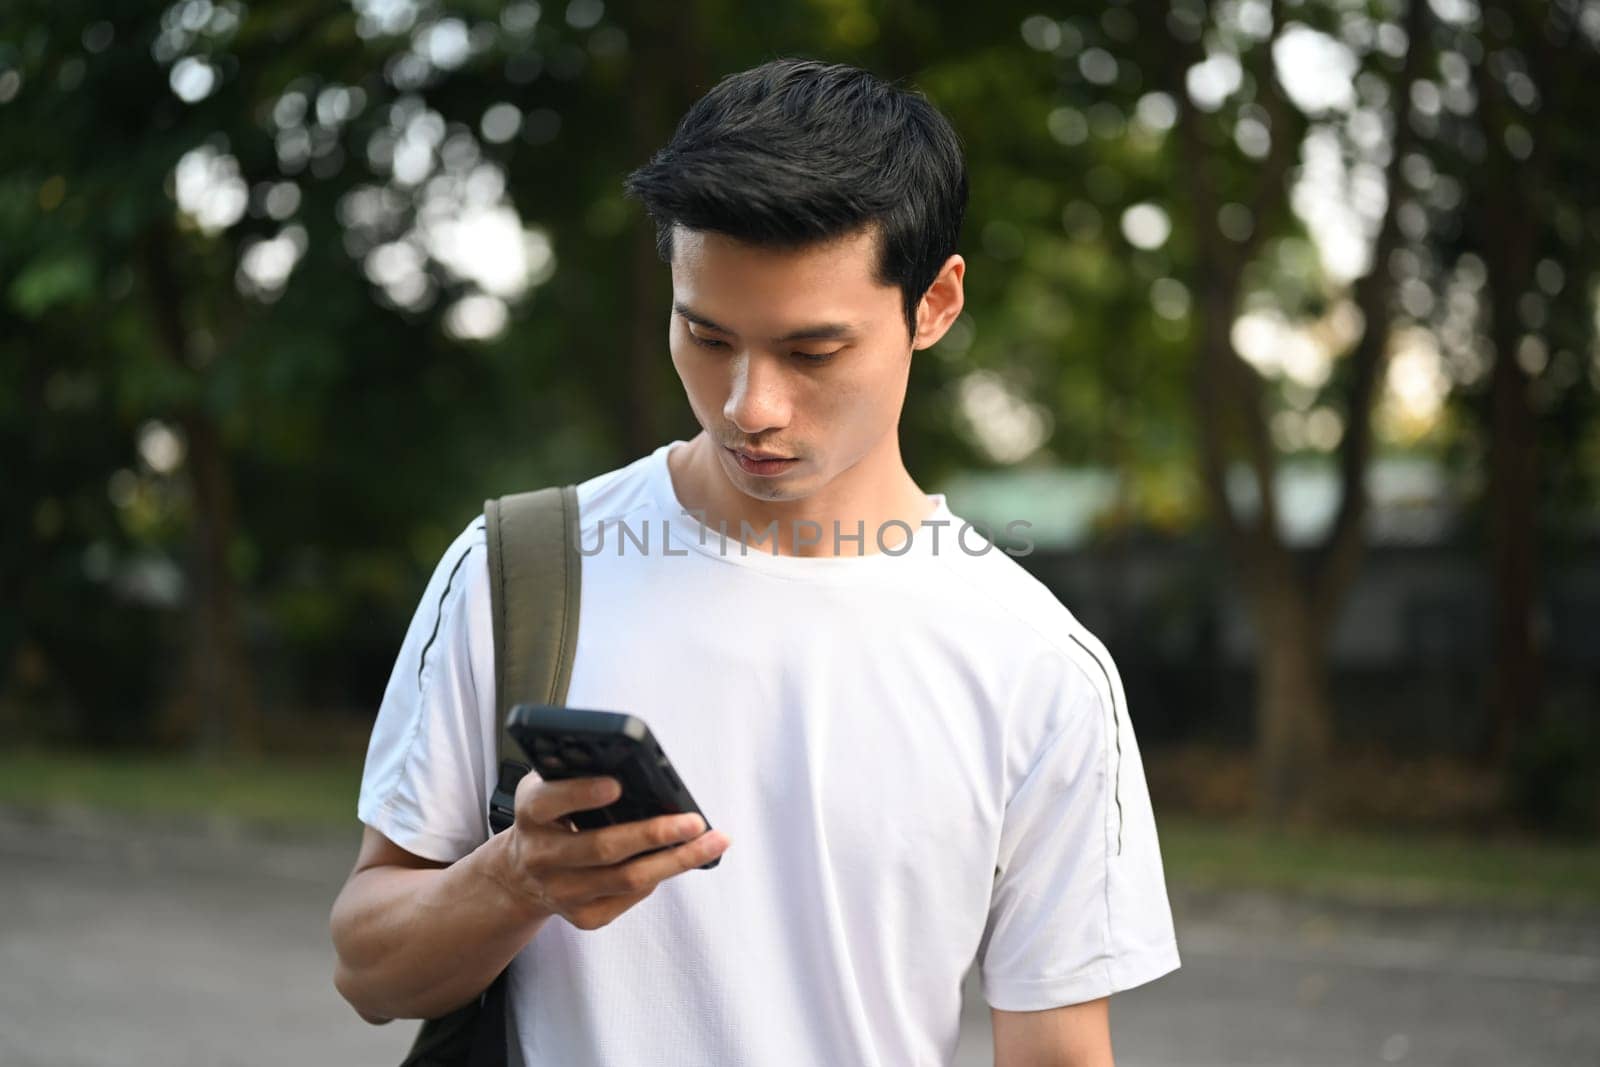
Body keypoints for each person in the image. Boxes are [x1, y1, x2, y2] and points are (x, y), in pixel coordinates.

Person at [330, 57, 1179, 1066]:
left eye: (812, 351)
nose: (750, 406)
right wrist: (515, 876)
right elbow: (370, 971)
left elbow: (1055, 1049)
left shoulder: (1036, 662)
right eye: (707, 334)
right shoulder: (520, 573)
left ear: (936, 302)